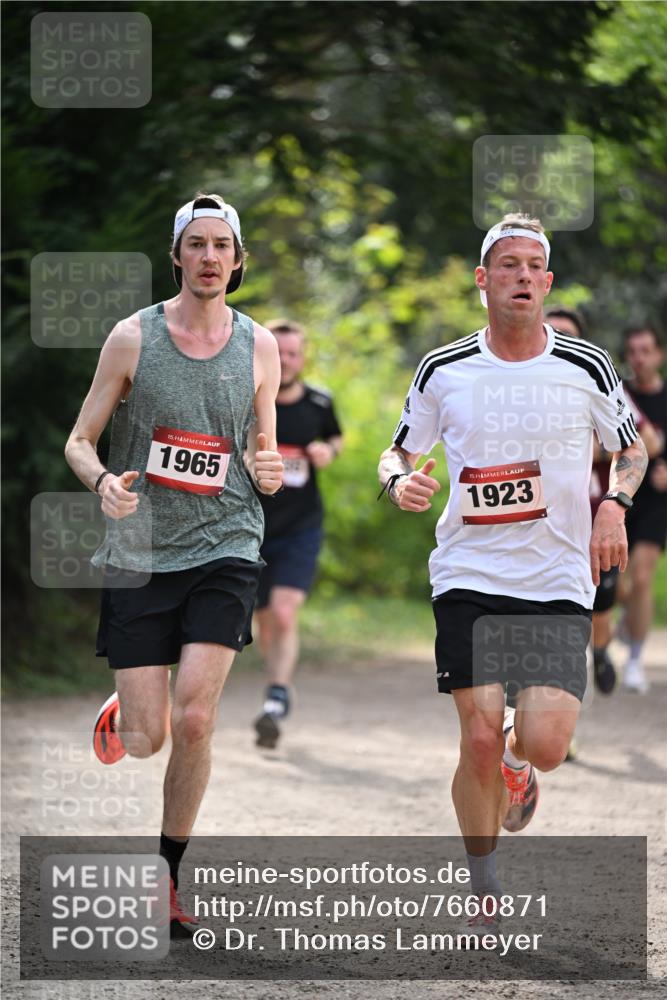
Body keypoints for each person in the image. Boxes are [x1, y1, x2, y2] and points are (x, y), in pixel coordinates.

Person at [378, 214, 647, 938]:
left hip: (557, 576)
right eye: (507, 265)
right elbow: (397, 453)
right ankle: (484, 880)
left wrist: (614, 506)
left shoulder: (585, 366)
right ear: (482, 279)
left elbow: (632, 451)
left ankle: (521, 771)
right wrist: (398, 482)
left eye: (534, 266)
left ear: (548, 282)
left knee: (547, 743)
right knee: (474, 738)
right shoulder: (443, 368)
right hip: (468, 569)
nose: (522, 276)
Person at [65, 192, 283, 937]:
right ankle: (126, 713)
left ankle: (166, 877)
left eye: (223, 245)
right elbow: (79, 439)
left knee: (195, 718)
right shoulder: (132, 338)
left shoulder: (259, 344)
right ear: (177, 255)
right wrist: (101, 482)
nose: (211, 257)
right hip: (139, 551)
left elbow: (262, 449)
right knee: (147, 736)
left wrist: (270, 468)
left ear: (238, 259)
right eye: (197, 245)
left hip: (226, 543)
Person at [545, 308, 661, 695]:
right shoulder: (513, 386)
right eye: (553, 331)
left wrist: (589, 450)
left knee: (603, 599)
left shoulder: (599, 383)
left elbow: (646, 442)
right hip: (540, 521)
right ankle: (553, 698)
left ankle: (602, 649)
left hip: (597, 514)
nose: (560, 340)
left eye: (569, 334)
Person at [253, 319, 343, 749]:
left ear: (302, 358)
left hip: (301, 528)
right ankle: (278, 682)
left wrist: (328, 451)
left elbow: (335, 438)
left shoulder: (319, 402)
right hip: (251, 528)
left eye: (293, 353)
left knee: (285, 612)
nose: (286, 360)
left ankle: (275, 697)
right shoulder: (250, 399)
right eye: (278, 351)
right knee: (264, 622)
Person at [619, 325, 667, 693]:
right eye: (633, 351)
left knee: (642, 577)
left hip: (656, 502)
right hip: (620, 495)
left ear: (659, 354)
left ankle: (635, 661)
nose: (640, 358)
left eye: (646, 350)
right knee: (618, 585)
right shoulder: (618, 396)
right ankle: (623, 621)